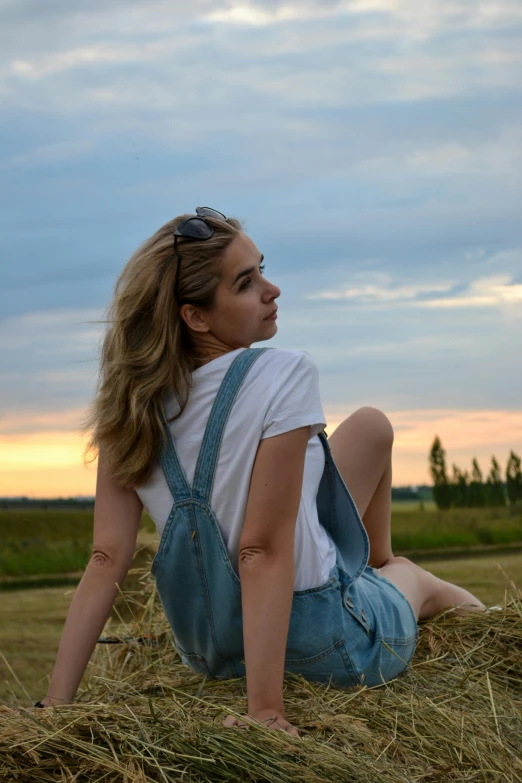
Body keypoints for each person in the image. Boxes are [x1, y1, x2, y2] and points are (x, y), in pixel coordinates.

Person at [35, 207, 486, 735]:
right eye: (246, 283)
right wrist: (265, 712)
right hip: (323, 643)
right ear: (196, 317)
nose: (272, 290)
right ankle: (488, 626)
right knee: (419, 581)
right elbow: (261, 550)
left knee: (370, 426)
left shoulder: (131, 406)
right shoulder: (283, 372)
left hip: (212, 653)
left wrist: (54, 708)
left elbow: (105, 559)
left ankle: (371, 568)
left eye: (262, 271)